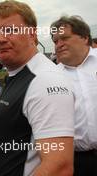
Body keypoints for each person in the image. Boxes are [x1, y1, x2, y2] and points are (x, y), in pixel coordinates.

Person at [0, 1, 75, 176]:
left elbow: (59, 167)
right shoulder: (18, 74)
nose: (1, 38)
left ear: (32, 34)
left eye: (11, 30)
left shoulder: (45, 80)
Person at [51, 15, 97, 176]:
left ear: (84, 37)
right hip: (76, 161)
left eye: (64, 38)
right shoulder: (50, 77)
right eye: (55, 41)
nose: (59, 44)